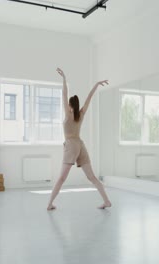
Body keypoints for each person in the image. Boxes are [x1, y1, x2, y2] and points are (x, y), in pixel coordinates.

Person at [47, 68, 112, 210]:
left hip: (71, 145)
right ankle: (106, 201)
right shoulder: (80, 114)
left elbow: (64, 94)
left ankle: (50, 203)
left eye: (68, 104)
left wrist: (64, 78)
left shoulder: (68, 114)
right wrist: (96, 85)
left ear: (70, 105)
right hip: (80, 145)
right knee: (92, 177)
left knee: (61, 178)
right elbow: (89, 99)